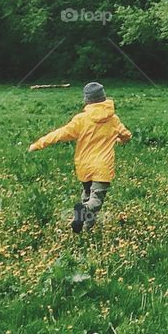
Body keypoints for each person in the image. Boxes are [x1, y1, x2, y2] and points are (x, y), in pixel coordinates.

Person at [28, 82, 132, 233]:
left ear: (87, 100)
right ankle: (84, 212)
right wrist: (120, 140)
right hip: (103, 167)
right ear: (104, 98)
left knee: (87, 195)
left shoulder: (81, 119)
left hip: (84, 166)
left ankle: (86, 228)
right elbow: (127, 135)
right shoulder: (113, 119)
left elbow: (60, 134)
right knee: (96, 199)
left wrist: (38, 144)